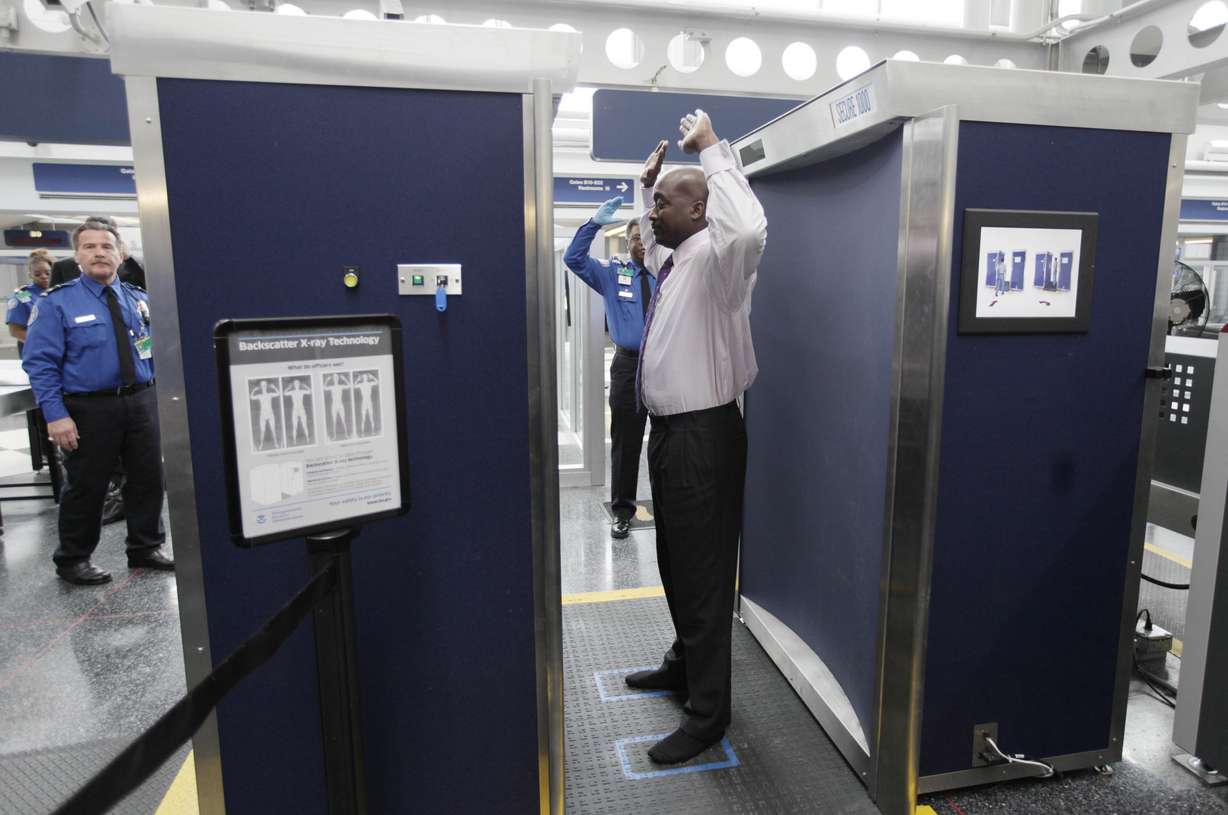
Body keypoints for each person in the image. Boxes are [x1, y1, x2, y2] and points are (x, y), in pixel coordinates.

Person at [623, 110, 767, 765]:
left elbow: (749, 226)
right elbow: (651, 248)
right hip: (671, 436)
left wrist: (711, 148)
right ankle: (684, 666)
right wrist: (642, 185)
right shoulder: (680, 259)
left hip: (704, 439)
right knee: (677, 567)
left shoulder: (720, 260)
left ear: (700, 208)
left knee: (704, 578)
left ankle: (707, 714)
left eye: (662, 203)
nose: (652, 212)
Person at [23, 217, 173, 585]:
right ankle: (73, 558)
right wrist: (56, 416)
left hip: (140, 401)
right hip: (89, 408)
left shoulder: (139, 300)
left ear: (120, 255)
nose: (99, 253)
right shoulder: (58, 302)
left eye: (106, 246)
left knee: (147, 478)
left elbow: (155, 352)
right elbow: (40, 363)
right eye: (89, 247)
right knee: (87, 485)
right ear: (77, 257)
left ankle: (145, 546)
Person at [563, 196, 655, 539]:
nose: (641, 245)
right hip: (629, 367)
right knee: (626, 442)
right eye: (634, 239)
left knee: (668, 440)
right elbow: (573, 258)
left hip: (665, 366)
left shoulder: (669, 272)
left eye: (646, 238)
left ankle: (670, 507)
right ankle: (622, 512)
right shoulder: (614, 274)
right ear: (628, 242)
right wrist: (594, 224)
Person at [50, 216, 146, 289]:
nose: (99, 253)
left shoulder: (131, 266)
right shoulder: (63, 267)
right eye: (90, 246)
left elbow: (151, 289)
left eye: (106, 244)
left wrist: (128, 259)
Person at [6, 249, 53, 353]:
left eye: (47, 273)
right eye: (37, 274)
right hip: (36, 350)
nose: (44, 276)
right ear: (30, 275)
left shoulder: (59, 293)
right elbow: (15, 331)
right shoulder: (21, 296)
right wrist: (44, 344)